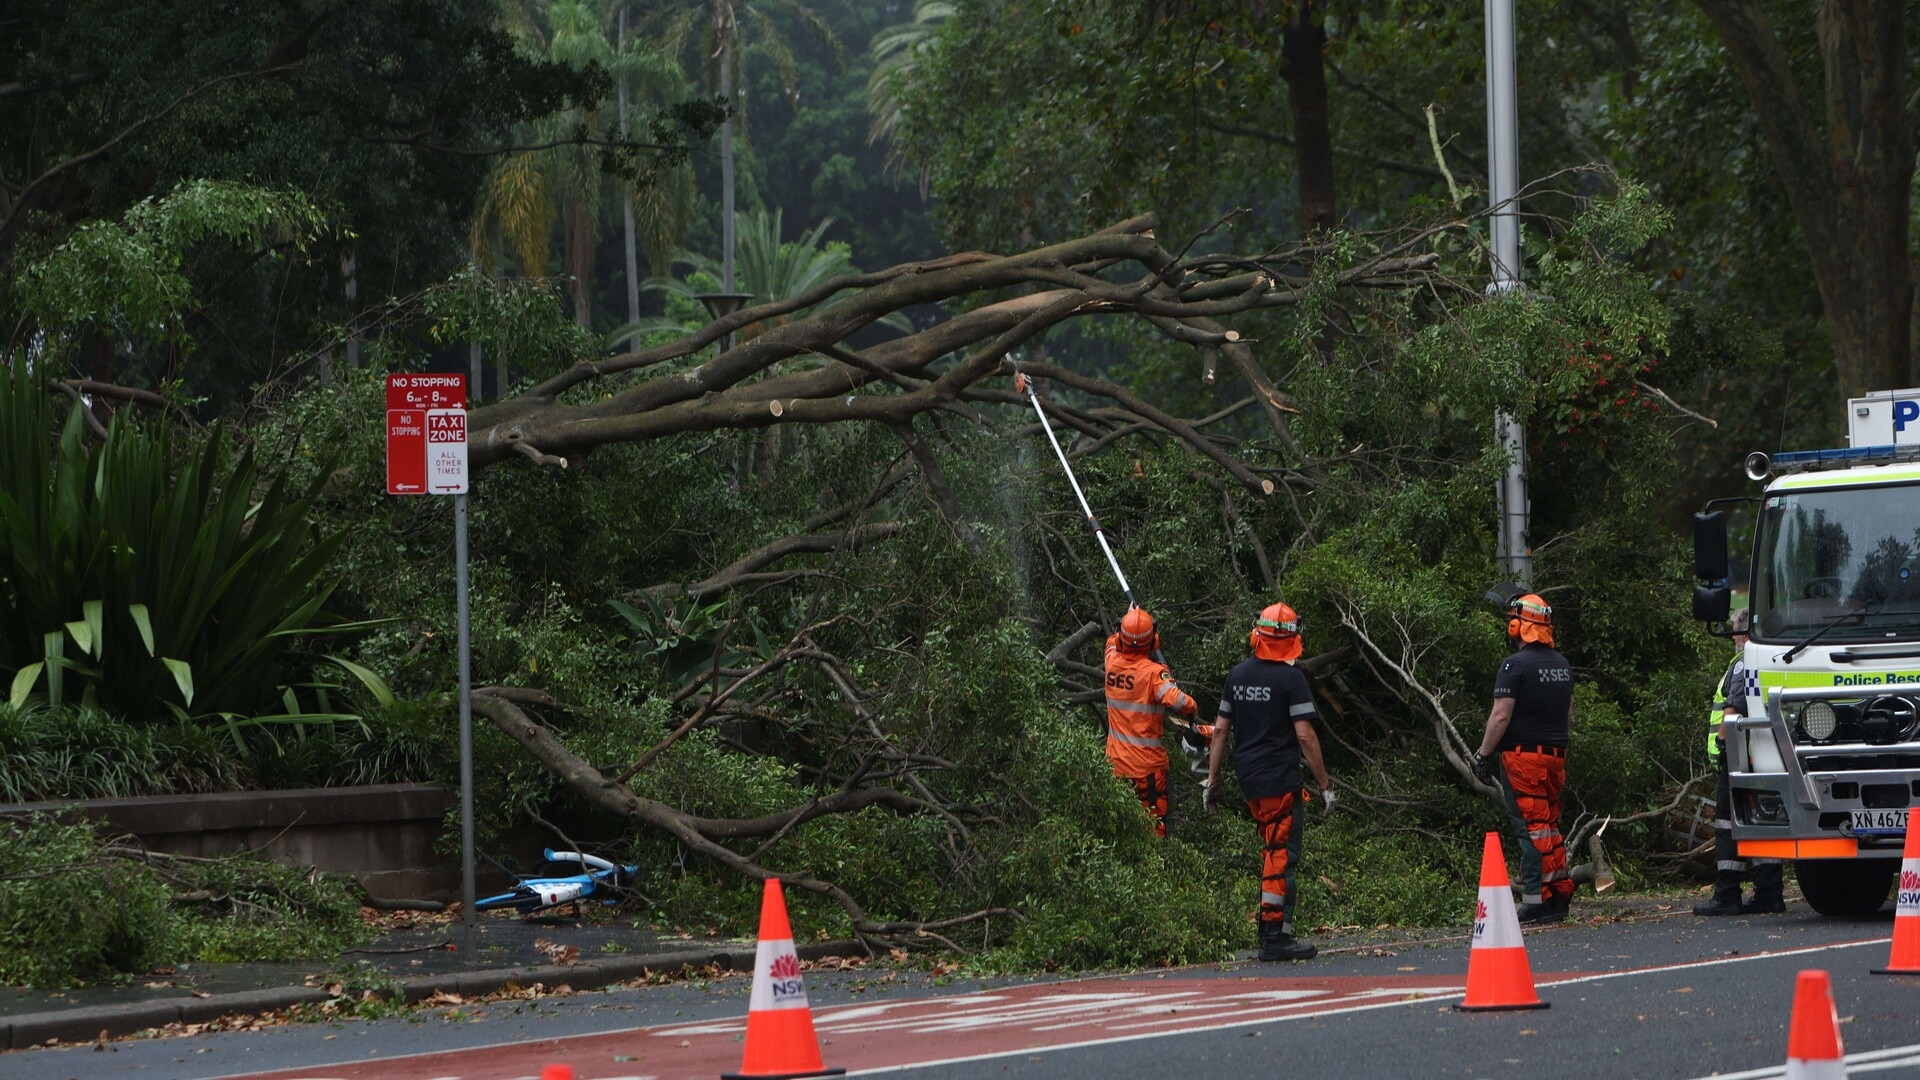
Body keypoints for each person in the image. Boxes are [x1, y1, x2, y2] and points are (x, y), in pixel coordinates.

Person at [1204, 602, 1335, 962]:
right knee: (1281, 855)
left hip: (1249, 779)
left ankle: (1272, 929)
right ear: (1293, 639)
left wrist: (1212, 781)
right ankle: (1275, 936)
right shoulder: (1291, 679)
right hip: (1278, 777)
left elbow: (1219, 732)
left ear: (1256, 634)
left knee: (1273, 852)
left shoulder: (1237, 675)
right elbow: (1306, 737)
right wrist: (1324, 785)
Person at [1473, 593, 1576, 925]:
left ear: (1518, 626)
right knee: (1550, 828)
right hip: (1555, 758)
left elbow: (1500, 716)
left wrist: (1483, 754)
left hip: (1523, 759)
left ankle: (1535, 900)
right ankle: (1559, 895)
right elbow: (1568, 713)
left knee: (1532, 830)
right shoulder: (1561, 664)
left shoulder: (1513, 665)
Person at [1693, 608, 1785, 915]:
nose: (1732, 637)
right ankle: (1770, 893)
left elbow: (1732, 710)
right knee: (1764, 823)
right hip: (1766, 758)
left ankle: (1727, 892)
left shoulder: (1742, 664)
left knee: (1727, 824)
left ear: (1742, 634)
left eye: (1735, 631)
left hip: (1738, 758)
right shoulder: (1770, 661)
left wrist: (1722, 745)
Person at [1104, 606, 1198, 838]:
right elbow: (1185, 704)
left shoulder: (1111, 663)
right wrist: (1168, 678)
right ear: (1154, 641)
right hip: (1147, 771)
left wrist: (1129, 619)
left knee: (1120, 832)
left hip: (1115, 768)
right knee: (1155, 831)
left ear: (1120, 638)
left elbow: (1110, 644)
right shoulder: (1155, 675)